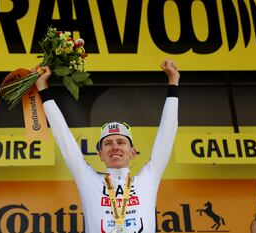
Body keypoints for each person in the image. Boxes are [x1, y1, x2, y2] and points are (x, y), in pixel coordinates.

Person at [35, 58, 180, 232]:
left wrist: (173, 82)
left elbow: (167, 134)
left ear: (133, 152)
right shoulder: (88, 179)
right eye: (108, 144)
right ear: (101, 155)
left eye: (121, 142)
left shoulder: (148, 179)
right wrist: (42, 88)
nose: (115, 147)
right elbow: (63, 136)